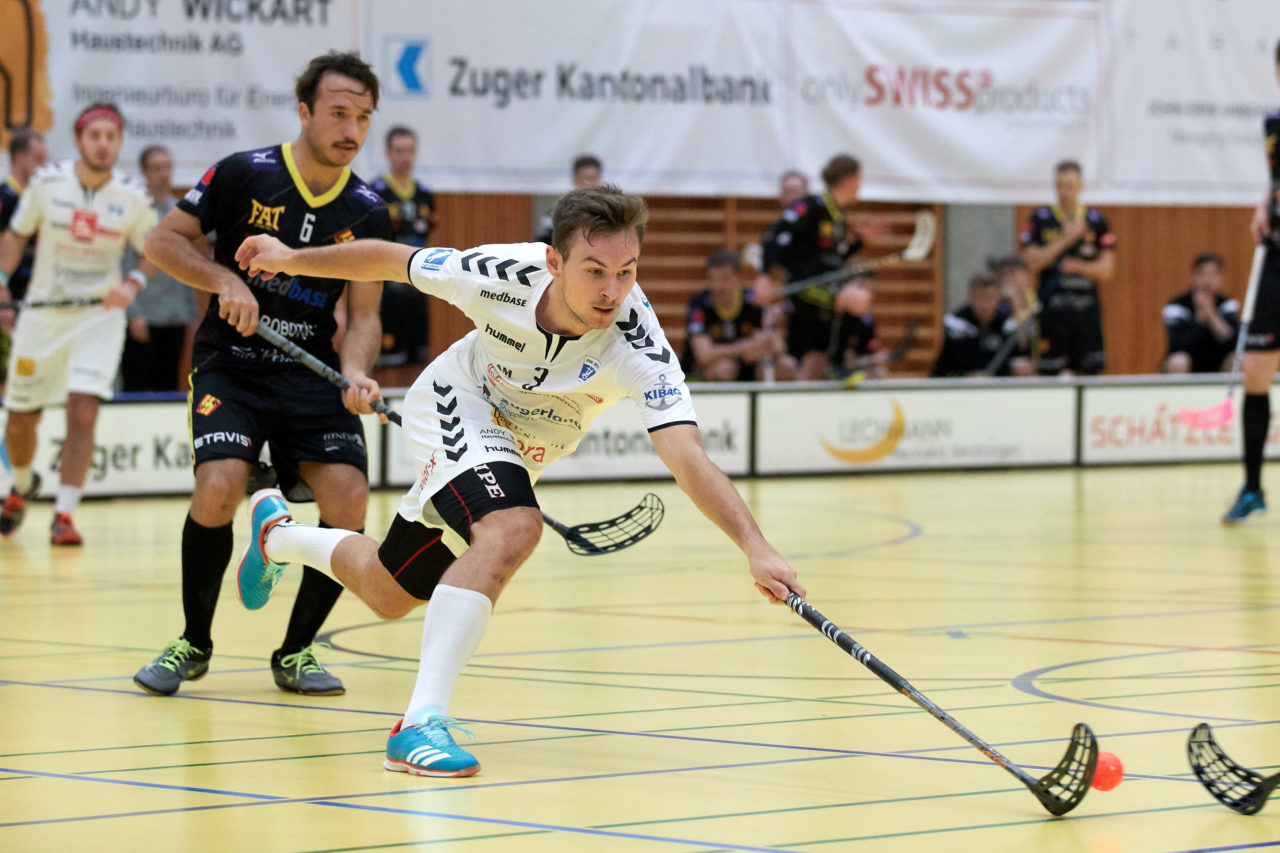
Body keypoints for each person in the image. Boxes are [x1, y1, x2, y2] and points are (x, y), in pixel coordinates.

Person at [230, 183, 805, 778]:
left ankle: (278, 535)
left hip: (519, 450)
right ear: (554, 262)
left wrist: (755, 548)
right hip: (456, 403)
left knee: (389, 590)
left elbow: (687, 456)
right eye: (595, 270)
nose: (612, 290)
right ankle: (418, 723)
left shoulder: (639, 345)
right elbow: (388, 258)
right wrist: (292, 259)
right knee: (512, 527)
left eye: (627, 271)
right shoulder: (498, 273)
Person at [131, 51, 392, 697]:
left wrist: (357, 370)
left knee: (350, 501)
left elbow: (363, 315)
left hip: (312, 373)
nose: (350, 128)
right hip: (233, 365)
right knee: (218, 487)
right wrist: (223, 280)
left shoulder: (368, 209)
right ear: (304, 112)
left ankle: (297, 650)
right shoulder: (245, 173)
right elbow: (162, 242)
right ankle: (193, 641)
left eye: (362, 116)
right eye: (337, 112)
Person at [0, 104, 158, 544]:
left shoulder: (133, 195)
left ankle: (64, 514)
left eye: (112, 136)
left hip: (99, 319)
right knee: (19, 421)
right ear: (78, 139)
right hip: (43, 316)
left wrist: (132, 282)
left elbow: (156, 248)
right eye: (95, 136)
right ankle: (23, 483)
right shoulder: (46, 184)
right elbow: (14, 236)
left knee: (82, 411)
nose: (103, 144)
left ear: (119, 142)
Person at [1223, 38, 1280, 524]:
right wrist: (1264, 206)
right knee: (1256, 370)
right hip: (1276, 260)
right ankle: (1253, 488)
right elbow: (1275, 182)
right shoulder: (1274, 126)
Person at [757, 153, 877, 380]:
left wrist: (861, 242)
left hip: (826, 285)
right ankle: (839, 363)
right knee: (857, 298)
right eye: (859, 179)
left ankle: (813, 389)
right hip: (806, 285)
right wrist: (764, 276)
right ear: (848, 179)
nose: (860, 185)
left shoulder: (837, 214)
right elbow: (773, 234)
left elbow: (834, 259)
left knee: (816, 355)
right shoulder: (812, 205)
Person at [1019, 160, 1116, 376]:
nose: (1065, 191)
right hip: (1052, 309)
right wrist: (1065, 239)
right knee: (1050, 376)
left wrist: (1080, 267)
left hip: (1086, 310)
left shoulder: (1096, 220)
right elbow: (1030, 262)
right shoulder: (1041, 218)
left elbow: (1107, 269)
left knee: (1089, 373)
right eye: (1060, 185)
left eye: (1070, 185)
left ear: (1081, 185)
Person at [119, 145, 201, 392]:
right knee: (137, 384)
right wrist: (133, 314)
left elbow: (187, 263)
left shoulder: (181, 211)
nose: (164, 174)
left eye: (167, 168)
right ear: (144, 173)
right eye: (156, 169)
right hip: (144, 315)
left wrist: (192, 314)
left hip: (175, 316)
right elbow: (122, 265)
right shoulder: (133, 208)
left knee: (168, 385)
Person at [370, 125, 438, 387]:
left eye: (409, 150)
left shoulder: (425, 195)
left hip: (418, 288)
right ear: (388, 154)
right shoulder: (376, 191)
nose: (405, 157)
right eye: (399, 151)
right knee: (386, 362)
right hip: (386, 291)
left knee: (419, 360)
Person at [682, 249, 793, 381]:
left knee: (787, 366)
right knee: (725, 368)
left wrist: (765, 345)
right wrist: (744, 347)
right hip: (711, 371)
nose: (717, 286)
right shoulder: (699, 304)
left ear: (738, 277)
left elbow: (779, 346)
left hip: (750, 366)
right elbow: (704, 355)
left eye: (725, 279)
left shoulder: (754, 302)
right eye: (712, 278)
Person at [0, 128, 48, 388]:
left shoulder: (33, 198)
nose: (44, 166)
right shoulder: (6, 197)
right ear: (19, 159)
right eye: (39, 159)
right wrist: (2, 294)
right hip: (8, 293)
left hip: (29, 292)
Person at [932, 273, 1031, 377]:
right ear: (970, 298)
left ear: (998, 299)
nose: (984, 305)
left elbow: (1018, 353)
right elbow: (960, 362)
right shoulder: (956, 323)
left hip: (998, 385)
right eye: (979, 298)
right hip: (960, 383)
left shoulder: (1007, 322)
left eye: (989, 298)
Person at [1162, 252, 1239, 374]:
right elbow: (1177, 345)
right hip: (1189, 361)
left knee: (1237, 359)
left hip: (1219, 361)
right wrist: (1199, 319)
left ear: (1220, 278)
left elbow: (1234, 343)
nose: (1207, 280)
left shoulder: (1228, 305)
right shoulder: (1177, 306)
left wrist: (1211, 314)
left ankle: (1230, 393)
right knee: (1178, 361)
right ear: (1194, 277)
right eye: (1203, 274)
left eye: (1213, 274)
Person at [534, 153, 602, 243]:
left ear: (600, 179)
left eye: (593, 178)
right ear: (575, 179)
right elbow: (544, 238)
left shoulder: (607, 209)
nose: (588, 183)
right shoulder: (558, 210)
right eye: (584, 178)